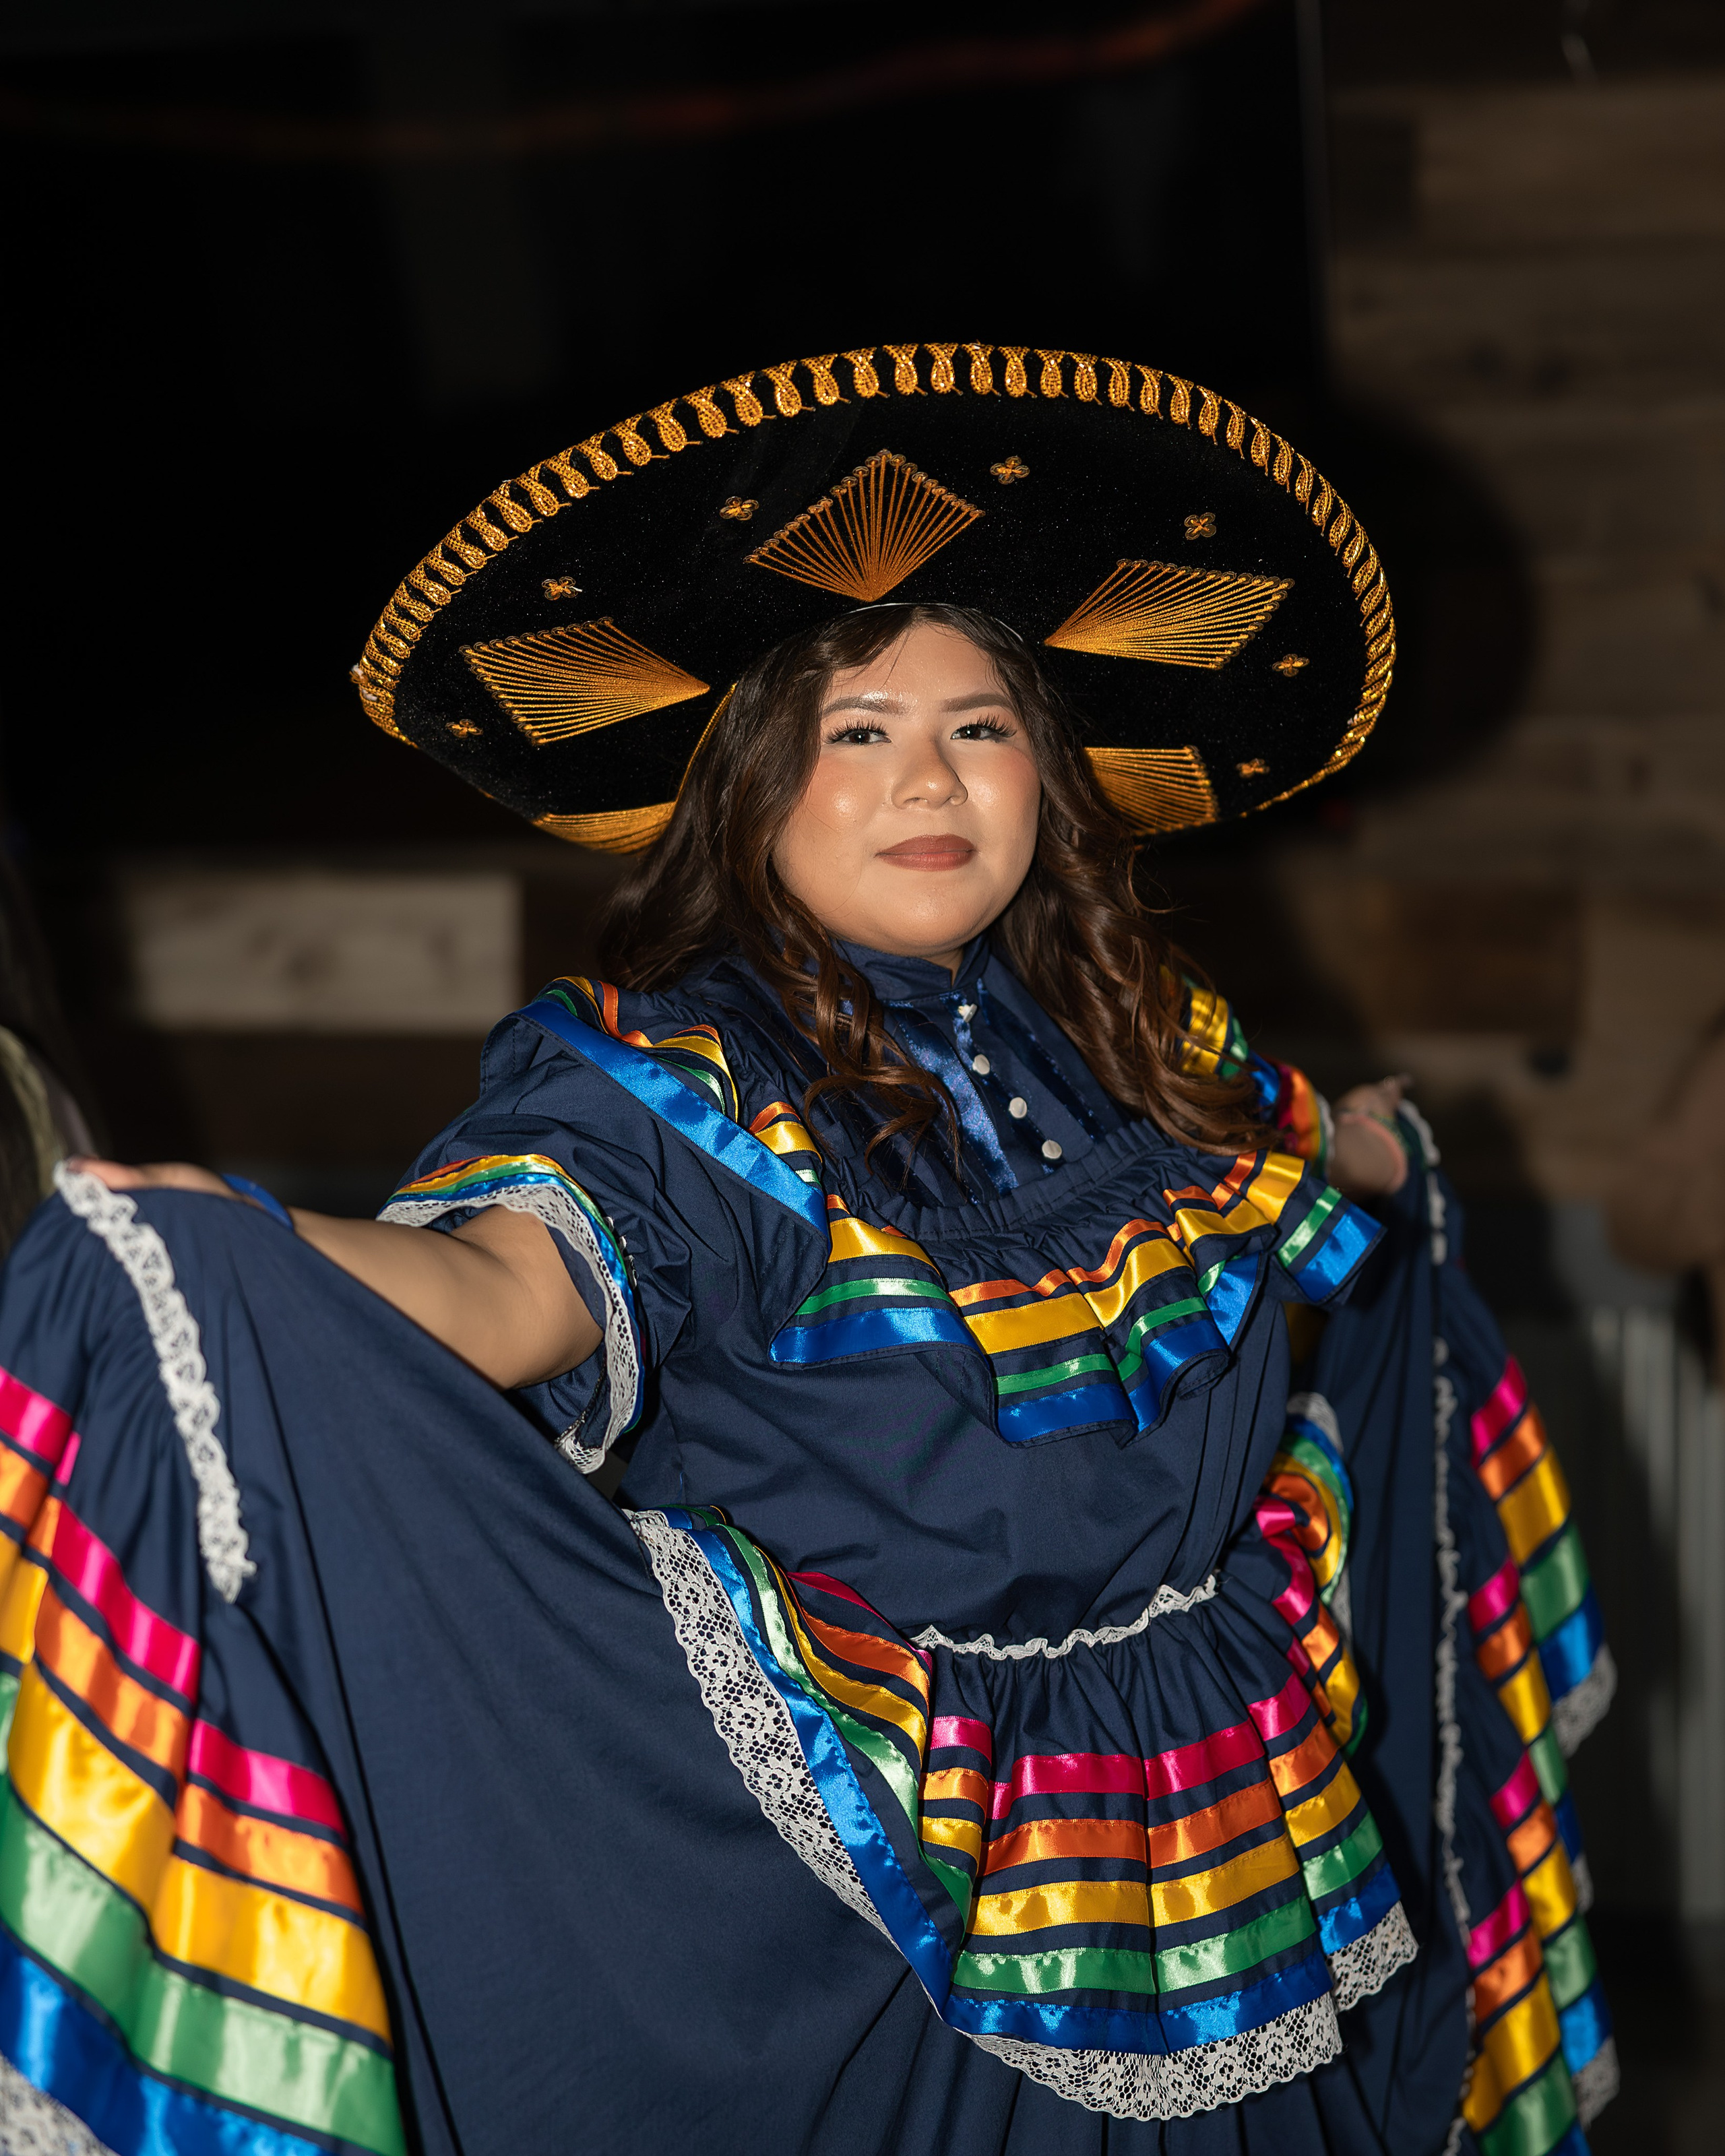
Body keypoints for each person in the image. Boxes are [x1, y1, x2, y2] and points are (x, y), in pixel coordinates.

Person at [0, 346, 1615, 2156]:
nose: (932, 778)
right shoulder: (680, 1083)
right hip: (902, 1913)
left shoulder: (1138, 1033)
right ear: (752, 785)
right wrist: (250, 1246)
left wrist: (1376, 1147)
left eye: (980, 728)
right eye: (860, 733)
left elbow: (1280, 1168)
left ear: (1049, 773)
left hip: (1243, 1832)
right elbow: (512, 1286)